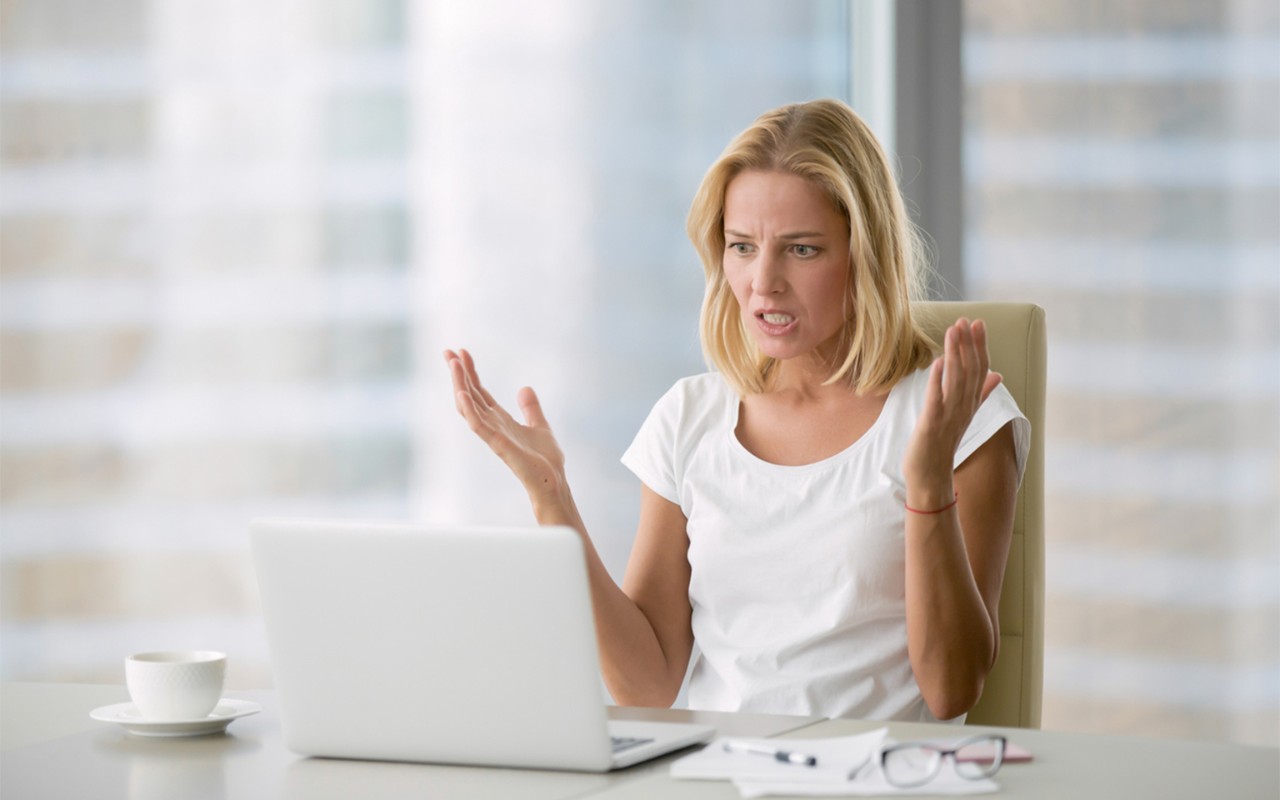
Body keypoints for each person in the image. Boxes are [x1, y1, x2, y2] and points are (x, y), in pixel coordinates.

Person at [444, 98, 1028, 723]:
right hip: (717, 776)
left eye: (802, 250)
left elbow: (951, 689)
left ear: (866, 254)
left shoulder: (955, 414)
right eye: (742, 246)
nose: (763, 282)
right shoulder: (689, 416)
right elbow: (646, 686)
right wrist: (552, 498)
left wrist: (929, 479)